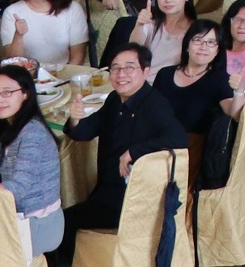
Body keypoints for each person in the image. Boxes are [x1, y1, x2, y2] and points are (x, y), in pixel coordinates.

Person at [64, 44, 185, 232]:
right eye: (116, 68)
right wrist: (75, 119)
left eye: (129, 67)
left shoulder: (155, 105)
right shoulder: (115, 99)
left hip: (131, 199)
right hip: (107, 188)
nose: (121, 74)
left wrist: (134, 152)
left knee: (63, 223)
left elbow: (179, 139)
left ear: (146, 72)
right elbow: (84, 132)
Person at [0, 62, 67, 256]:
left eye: (7, 92)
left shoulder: (33, 133)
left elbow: (16, 189)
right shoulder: (7, 127)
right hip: (13, 216)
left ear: (25, 94)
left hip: (38, 223)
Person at [154, 20, 241, 143]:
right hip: (154, 140)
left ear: (217, 51)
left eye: (211, 42)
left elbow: (235, 114)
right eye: (198, 40)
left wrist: (239, 91)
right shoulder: (164, 74)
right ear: (187, 45)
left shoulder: (219, 79)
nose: (203, 47)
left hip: (187, 148)